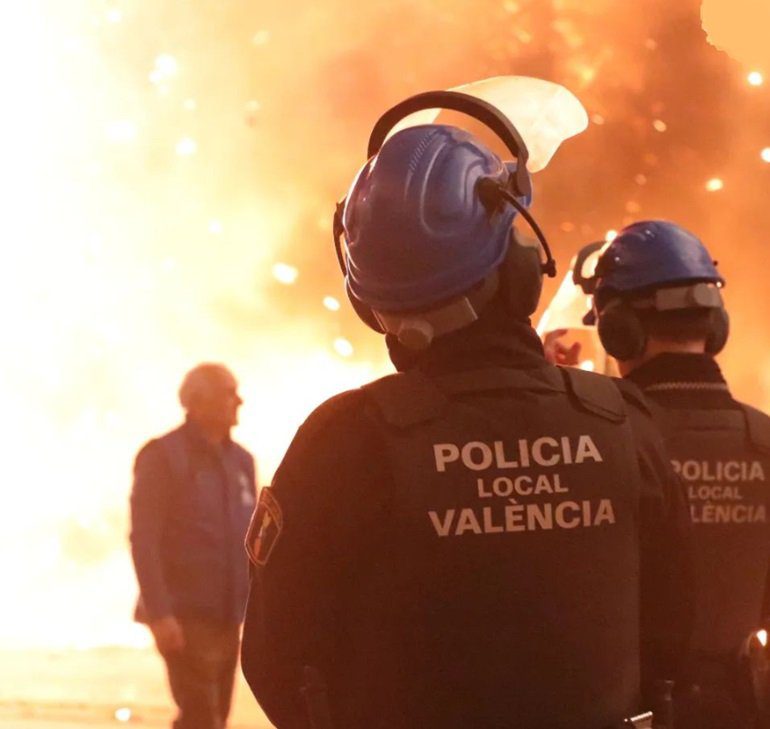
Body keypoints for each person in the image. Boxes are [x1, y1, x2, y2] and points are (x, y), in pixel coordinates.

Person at [240, 91, 693, 729]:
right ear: (518, 269)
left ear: (375, 308)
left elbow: (275, 658)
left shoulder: (342, 442)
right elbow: (678, 639)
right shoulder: (624, 423)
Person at [560, 220, 770, 728]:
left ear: (618, 329)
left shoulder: (602, 442)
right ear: (716, 325)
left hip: (626, 709)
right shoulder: (763, 440)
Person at [130, 363, 257, 729]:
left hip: (229, 615)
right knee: (202, 718)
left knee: (216, 718)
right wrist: (160, 613)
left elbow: (252, 536)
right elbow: (144, 538)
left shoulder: (241, 461)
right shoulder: (162, 457)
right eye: (228, 393)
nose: (239, 401)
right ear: (197, 402)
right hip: (184, 616)